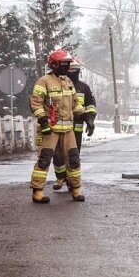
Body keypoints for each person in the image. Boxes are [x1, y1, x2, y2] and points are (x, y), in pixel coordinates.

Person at [29, 49, 86, 203]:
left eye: (68, 64)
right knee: (44, 159)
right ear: (54, 65)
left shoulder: (68, 82)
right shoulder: (44, 81)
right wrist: (43, 121)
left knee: (74, 160)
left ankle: (75, 189)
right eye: (64, 64)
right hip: (50, 130)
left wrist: (85, 115)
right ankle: (37, 192)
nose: (67, 67)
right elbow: (36, 103)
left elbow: (76, 104)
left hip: (68, 131)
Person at [53, 57, 96, 191]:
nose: (72, 72)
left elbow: (90, 105)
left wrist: (89, 120)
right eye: (70, 69)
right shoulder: (56, 84)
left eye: (75, 70)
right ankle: (61, 177)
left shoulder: (84, 87)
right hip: (58, 128)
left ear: (79, 71)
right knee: (58, 155)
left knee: (73, 156)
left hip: (75, 129)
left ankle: (72, 181)